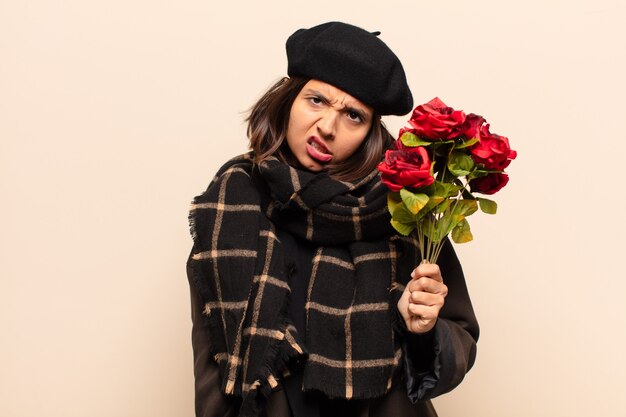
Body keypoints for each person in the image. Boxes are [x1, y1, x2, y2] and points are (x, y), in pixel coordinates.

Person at [186, 21, 479, 417]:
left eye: (353, 116)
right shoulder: (233, 200)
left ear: (371, 132)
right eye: (317, 100)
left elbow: (459, 339)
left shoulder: (407, 208)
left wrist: (423, 331)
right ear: (288, 100)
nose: (327, 127)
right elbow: (213, 358)